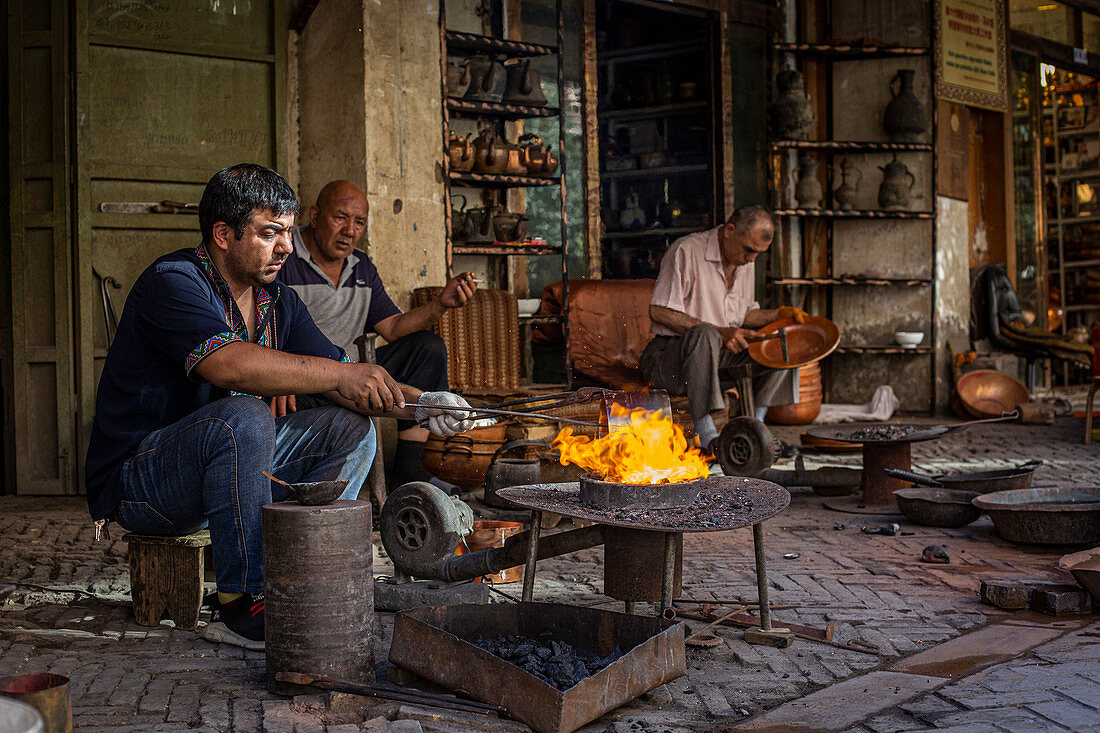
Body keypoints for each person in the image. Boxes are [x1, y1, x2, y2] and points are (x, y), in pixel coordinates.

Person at [84, 164, 476, 651]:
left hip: (224, 467)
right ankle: (240, 603)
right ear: (223, 234)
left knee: (350, 427)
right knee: (246, 416)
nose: (287, 248)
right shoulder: (174, 281)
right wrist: (341, 374)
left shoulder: (277, 301)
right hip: (144, 483)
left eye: (288, 233)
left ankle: (302, 575)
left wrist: (424, 405)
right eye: (270, 233)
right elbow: (228, 367)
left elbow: (346, 380)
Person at [277, 180, 477, 488]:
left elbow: (393, 327)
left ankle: (409, 471)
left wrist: (440, 304)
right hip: (303, 380)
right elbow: (259, 325)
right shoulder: (284, 257)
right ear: (315, 217)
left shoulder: (361, 266)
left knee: (427, 347)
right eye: (340, 217)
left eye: (359, 222)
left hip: (355, 371)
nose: (349, 231)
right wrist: (278, 377)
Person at [639, 205, 808, 450]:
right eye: (749, 250)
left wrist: (781, 315)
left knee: (783, 341)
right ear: (729, 230)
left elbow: (745, 315)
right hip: (669, 362)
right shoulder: (686, 251)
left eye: (758, 254)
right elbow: (658, 311)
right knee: (706, 334)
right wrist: (720, 332)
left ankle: (757, 431)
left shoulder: (744, 262)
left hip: (715, 362)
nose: (752, 259)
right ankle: (706, 435)